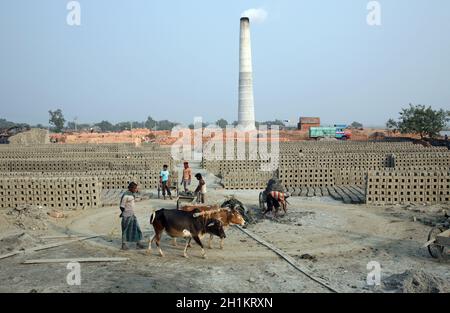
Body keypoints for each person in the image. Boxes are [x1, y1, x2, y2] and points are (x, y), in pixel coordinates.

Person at [119, 182, 145, 250]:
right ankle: (123, 245)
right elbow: (121, 206)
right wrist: (124, 213)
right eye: (135, 188)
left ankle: (138, 243)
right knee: (125, 230)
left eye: (136, 188)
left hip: (132, 215)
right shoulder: (125, 195)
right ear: (130, 188)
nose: (136, 189)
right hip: (127, 216)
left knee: (136, 229)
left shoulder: (131, 195)